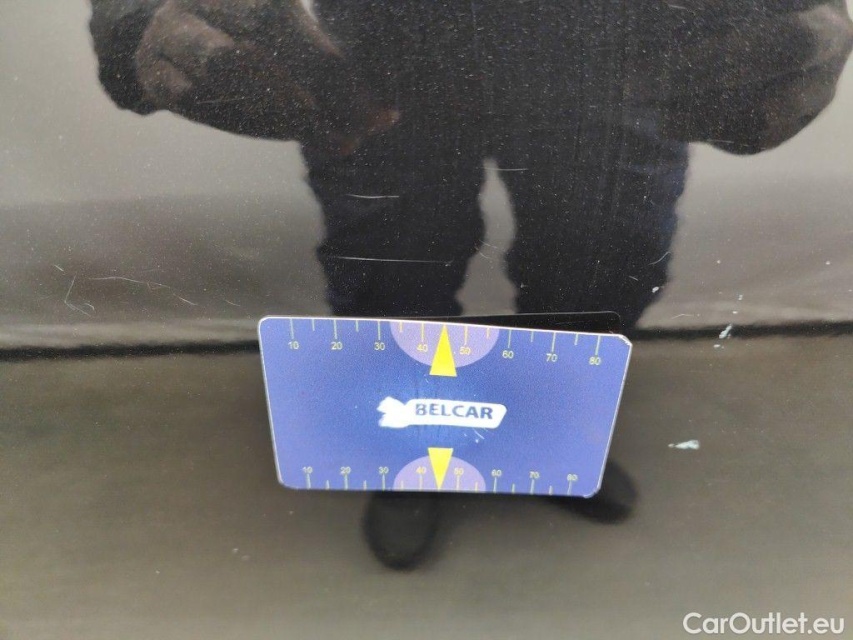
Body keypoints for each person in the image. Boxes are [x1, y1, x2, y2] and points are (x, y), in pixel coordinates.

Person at [90, 0, 853, 569]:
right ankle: (410, 459)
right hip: (382, 40)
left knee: (602, 259)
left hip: (613, 42)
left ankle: (553, 438)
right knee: (390, 267)